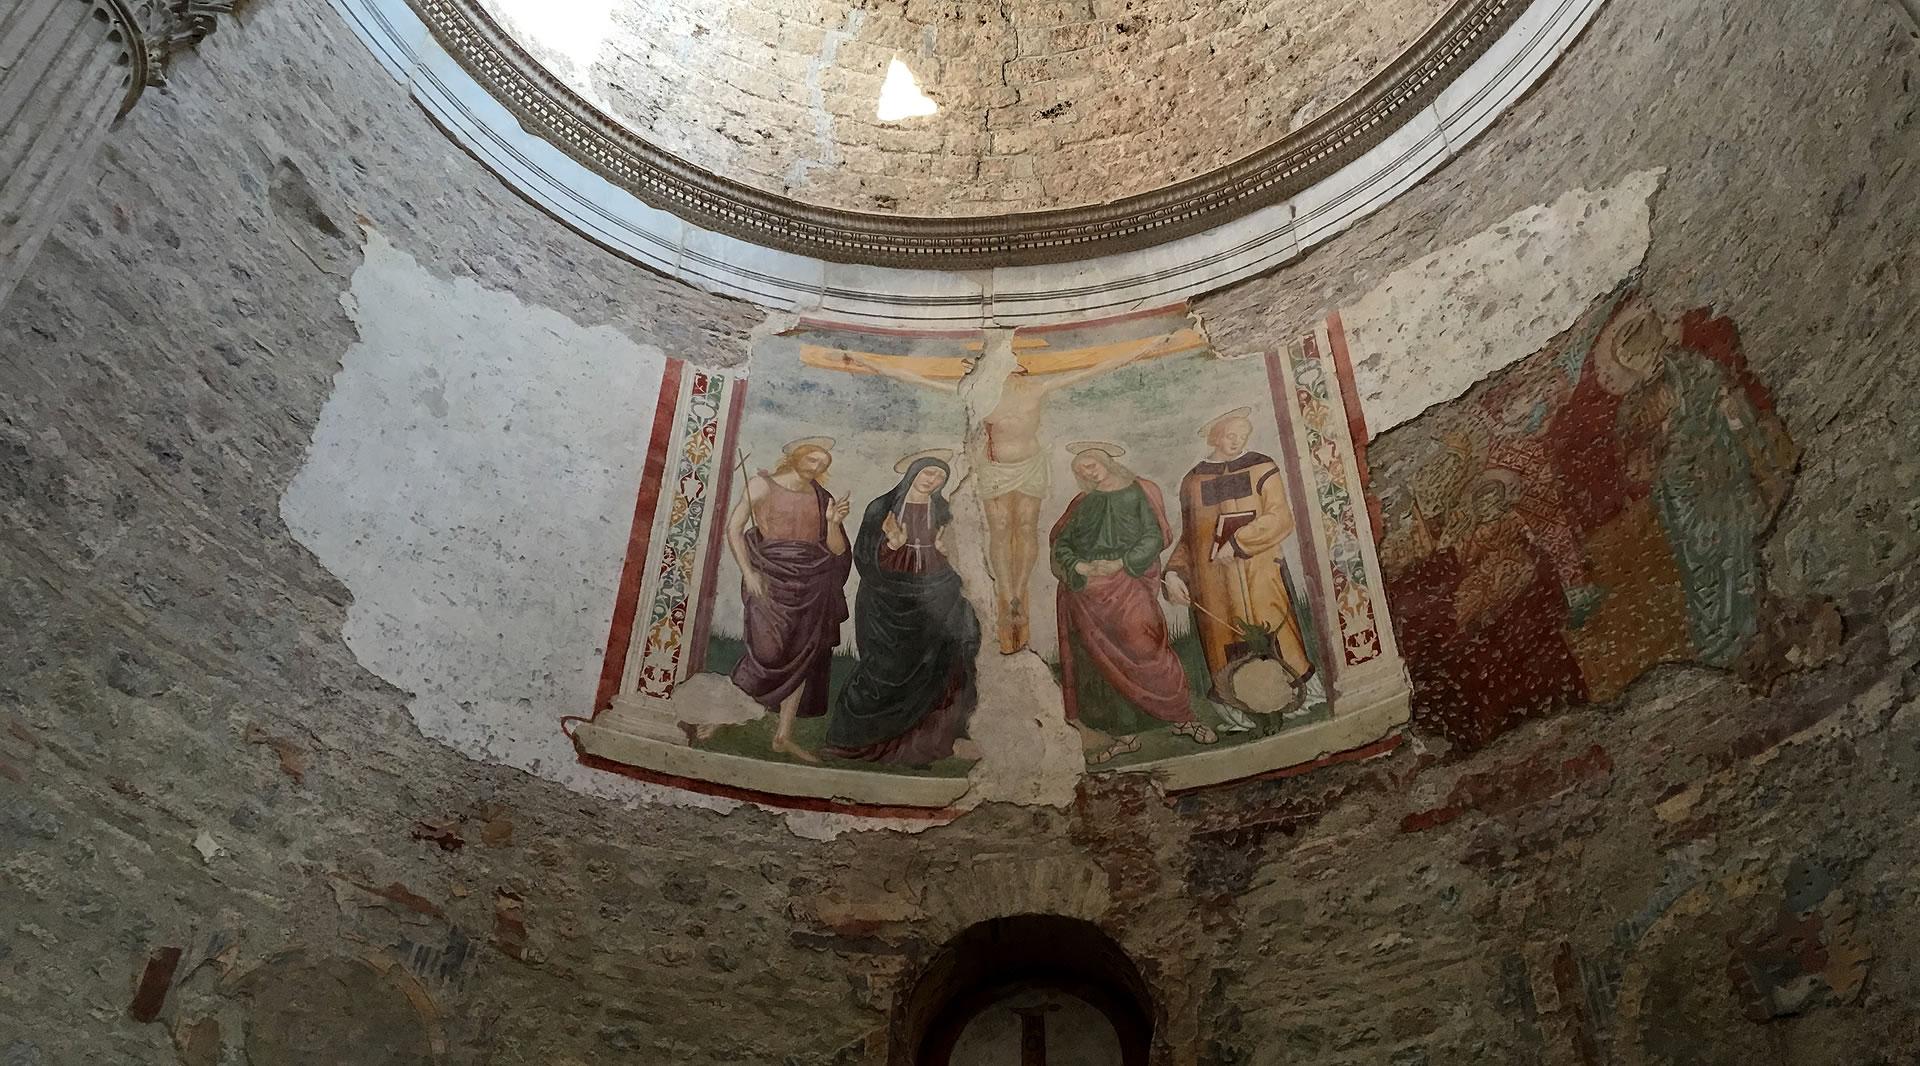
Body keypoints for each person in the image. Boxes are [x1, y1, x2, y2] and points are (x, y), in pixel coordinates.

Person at [848, 332, 1154, 655]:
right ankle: (1005, 593)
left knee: (1024, 526)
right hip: (994, 468)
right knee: (1001, 528)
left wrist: (1143, 347)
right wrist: (871, 362)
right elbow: (923, 381)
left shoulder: (1035, 388)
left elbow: (1088, 371)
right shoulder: (981, 395)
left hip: (1031, 464)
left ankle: (1020, 588)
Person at [1163, 407, 1324, 730]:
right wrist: (1173, 574)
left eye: (1243, 435)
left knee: (1276, 634)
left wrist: (1239, 542)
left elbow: (1280, 517)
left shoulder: (1261, 467)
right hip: (1214, 586)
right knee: (1225, 647)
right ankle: (1239, 713)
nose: (1237, 440)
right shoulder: (1194, 480)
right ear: (1215, 435)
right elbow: (1192, 536)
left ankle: (1300, 696)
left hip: (1259, 573)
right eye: (1231, 434)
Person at [1049, 443, 1211, 764]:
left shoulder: (1140, 490)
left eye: (1091, 463)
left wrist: (1122, 562)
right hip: (1085, 595)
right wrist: (1080, 567)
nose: (1088, 471)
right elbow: (1061, 543)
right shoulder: (1082, 503)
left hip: (1128, 583)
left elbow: (1154, 535)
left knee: (1147, 648)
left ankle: (1181, 718)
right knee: (1098, 664)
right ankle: (1124, 734)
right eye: (1080, 470)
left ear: (1106, 461)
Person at [823, 451, 982, 766]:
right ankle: (853, 740)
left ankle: (924, 743)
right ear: (913, 472)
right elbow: (866, 560)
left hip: (936, 598)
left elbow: (959, 554)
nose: (932, 480)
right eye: (928, 473)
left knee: (940, 664)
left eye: (939, 477)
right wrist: (893, 545)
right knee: (884, 670)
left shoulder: (945, 512)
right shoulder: (881, 508)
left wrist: (944, 551)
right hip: (887, 603)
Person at [724, 436, 852, 763]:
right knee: (766, 652)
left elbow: (837, 550)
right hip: (771, 575)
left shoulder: (823, 498)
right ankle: (723, 713)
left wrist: (834, 523)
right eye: (813, 460)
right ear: (795, 456)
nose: (818, 467)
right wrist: (750, 573)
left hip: (813, 581)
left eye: (823, 465)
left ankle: (783, 734)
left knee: (802, 655)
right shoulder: (762, 484)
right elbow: (734, 529)